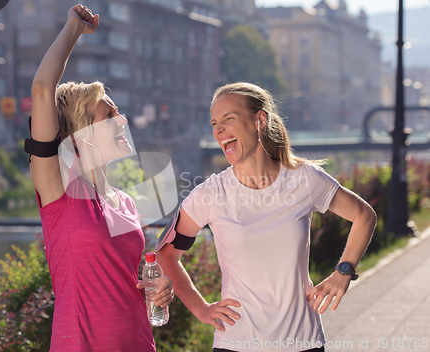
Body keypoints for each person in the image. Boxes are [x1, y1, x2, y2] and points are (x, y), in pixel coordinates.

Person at [156, 82, 377, 352]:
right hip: (236, 343)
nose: (218, 130)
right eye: (214, 123)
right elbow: (166, 254)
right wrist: (201, 309)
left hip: (302, 342)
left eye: (228, 119)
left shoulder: (303, 179)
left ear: (259, 119)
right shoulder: (211, 193)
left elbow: (364, 215)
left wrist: (343, 272)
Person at [26, 5, 173, 351]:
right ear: (82, 131)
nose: (122, 121)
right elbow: (43, 89)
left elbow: (118, 281)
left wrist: (157, 288)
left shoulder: (125, 202)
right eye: (109, 114)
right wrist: (73, 29)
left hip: (138, 342)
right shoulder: (58, 190)